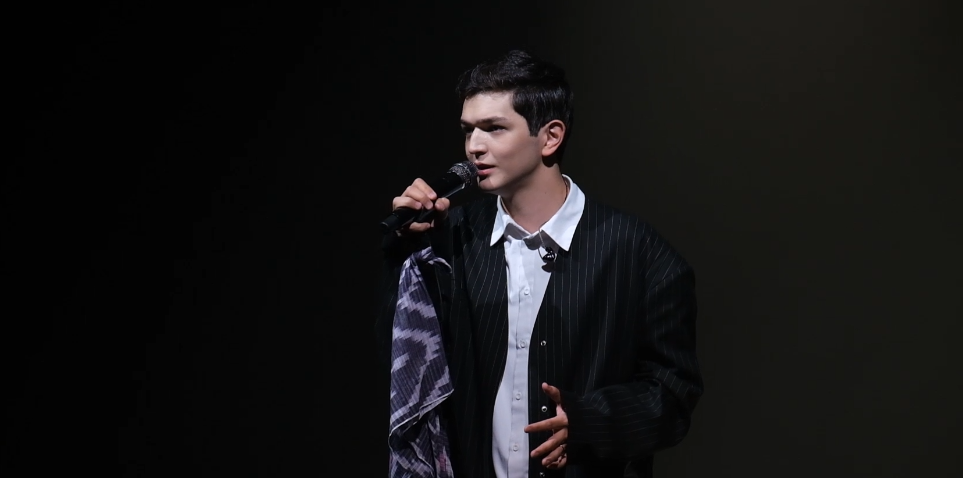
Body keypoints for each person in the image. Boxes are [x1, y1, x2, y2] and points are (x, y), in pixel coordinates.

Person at [376, 49, 702, 478]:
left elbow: (673, 396)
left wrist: (589, 420)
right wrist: (407, 253)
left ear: (550, 137)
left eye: (494, 128)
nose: (474, 147)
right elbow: (407, 366)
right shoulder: (451, 239)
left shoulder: (638, 252)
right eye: (468, 130)